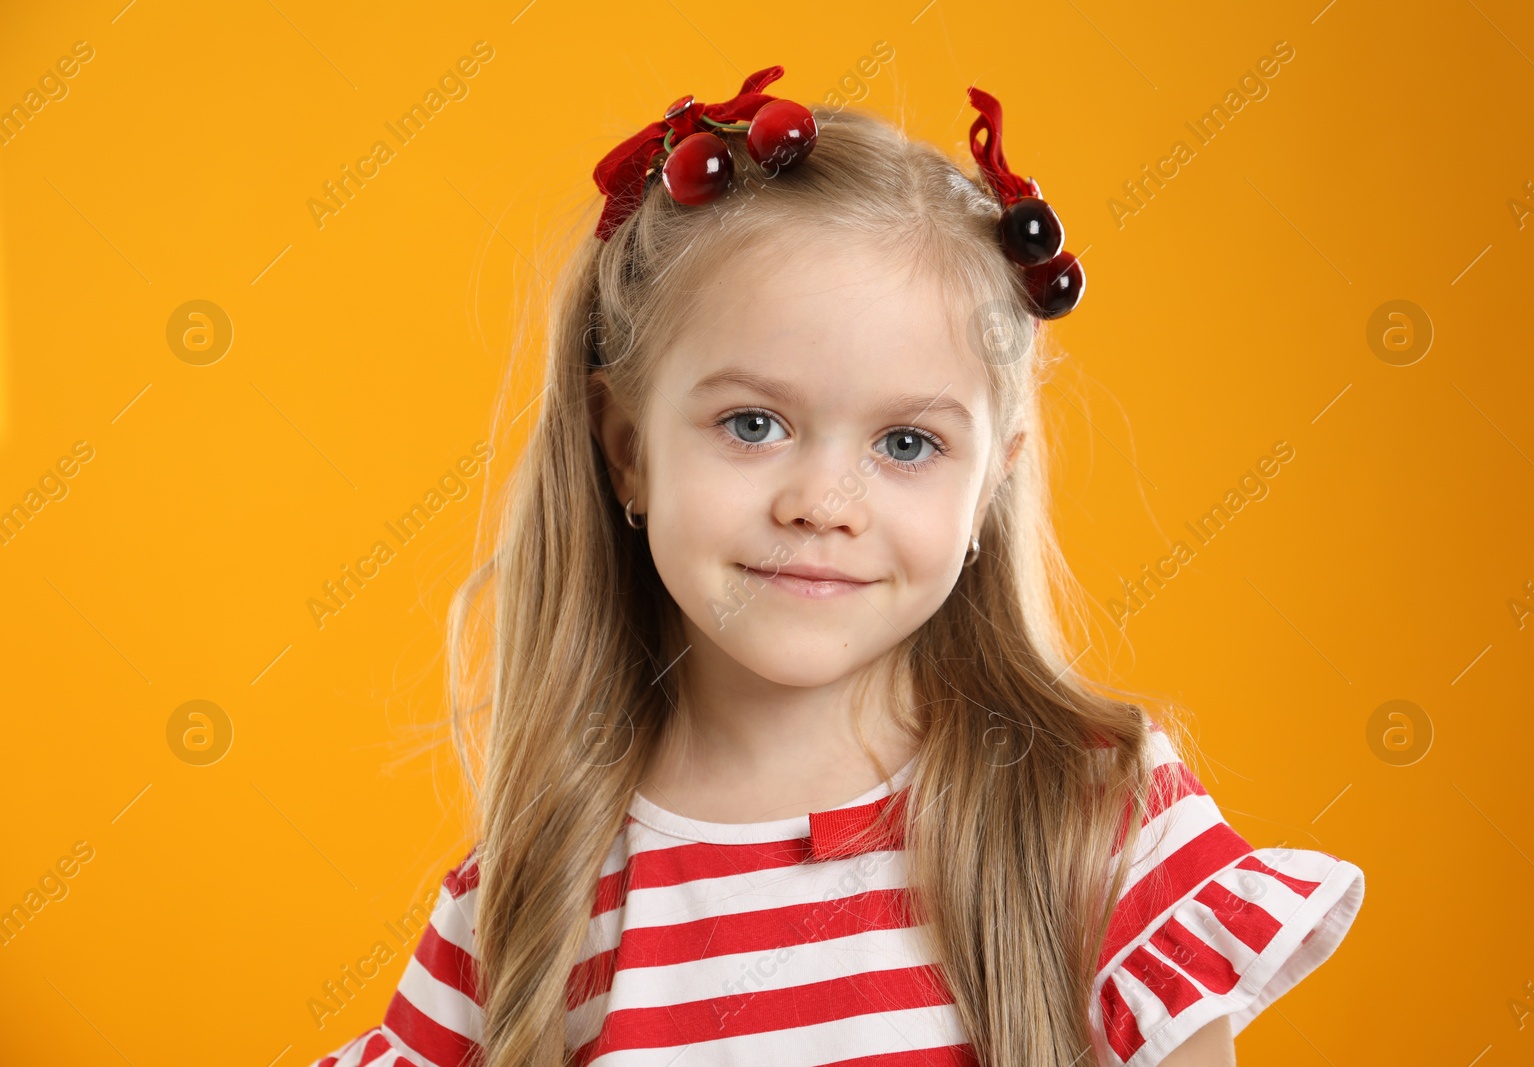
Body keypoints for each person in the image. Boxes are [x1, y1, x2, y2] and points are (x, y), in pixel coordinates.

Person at [310, 65, 1363, 1067]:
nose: (821, 503)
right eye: (753, 422)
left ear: (988, 482)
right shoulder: (529, 906)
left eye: (905, 443)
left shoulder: (1094, 820)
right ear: (626, 446)